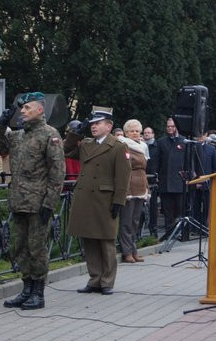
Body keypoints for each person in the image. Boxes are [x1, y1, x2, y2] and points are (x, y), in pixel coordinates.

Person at [0, 92, 65, 309]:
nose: (22, 111)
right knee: (20, 247)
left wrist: (49, 204)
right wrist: (0, 124)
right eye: (22, 108)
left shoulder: (50, 134)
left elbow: (57, 172)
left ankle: (38, 293)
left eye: (27, 108)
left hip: (38, 203)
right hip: (19, 201)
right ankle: (26, 289)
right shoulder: (17, 136)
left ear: (40, 109)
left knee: (36, 248)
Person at [65, 110, 131, 295]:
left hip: (105, 199)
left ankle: (107, 281)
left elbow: (123, 176)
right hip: (86, 198)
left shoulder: (118, 146)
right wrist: (76, 132)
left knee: (105, 241)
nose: (93, 126)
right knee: (89, 240)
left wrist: (119, 201)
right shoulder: (86, 144)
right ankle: (94, 279)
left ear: (109, 126)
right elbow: (67, 150)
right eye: (92, 124)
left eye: (98, 123)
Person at [117, 119, 150, 263]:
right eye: (132, 131)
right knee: (126, 221)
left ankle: (134, 249)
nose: (135, 133)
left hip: (141, 184)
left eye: (137, 130)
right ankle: (126, 252)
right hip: (129, 185)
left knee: (136, 220)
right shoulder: (123, 145)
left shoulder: (143, 146)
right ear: (126, 133)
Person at [155, 117, 186, 236]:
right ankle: (169, 233)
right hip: (165, 181)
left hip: (180, 181)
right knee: (167, 210)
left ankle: (180, 232)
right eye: (168, 126)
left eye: (172, 126)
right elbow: (157, 161)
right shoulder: (161, 141)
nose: (170, 129)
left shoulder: (184, 141)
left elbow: (189, 161)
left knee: (180, 208)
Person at [142, 126, 160, 237]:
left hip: (153, 179)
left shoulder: (157, 146)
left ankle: (153, 229)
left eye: (149, 132)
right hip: (142, 178)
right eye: (145, 132)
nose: (147, 134)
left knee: (153, 205)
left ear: (153, 134)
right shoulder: (140, 145)